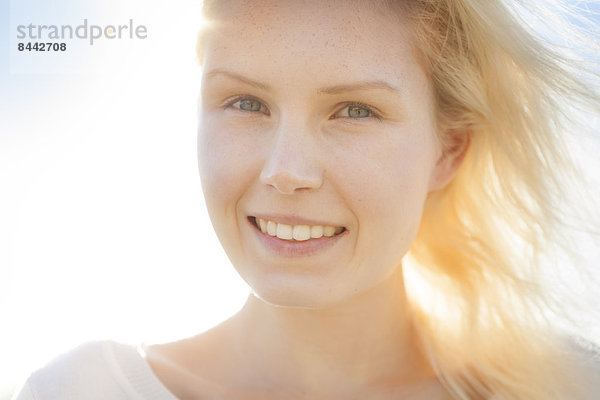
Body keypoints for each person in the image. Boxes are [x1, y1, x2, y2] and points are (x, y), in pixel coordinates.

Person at [12, 0, 600, 399]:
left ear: (449, 149)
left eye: (355, 111)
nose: (286, 172)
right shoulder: (86, 389)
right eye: (245, 103)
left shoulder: (571, 385)